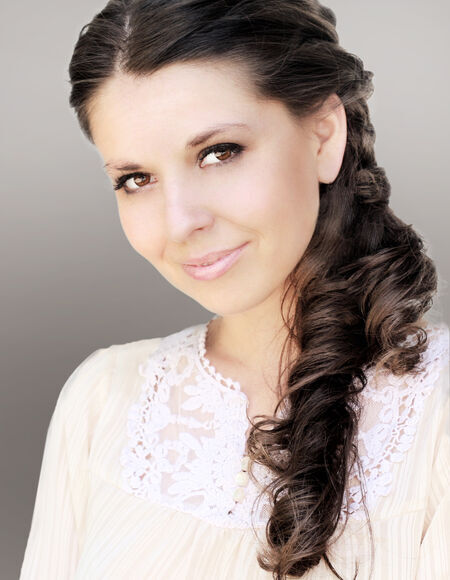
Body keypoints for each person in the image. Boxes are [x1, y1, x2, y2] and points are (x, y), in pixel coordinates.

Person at [20, 0, 449, 578]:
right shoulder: (102, 399)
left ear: (324, 136)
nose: (180, 223)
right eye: (136, 179)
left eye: (219, 153)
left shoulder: (438, 412)